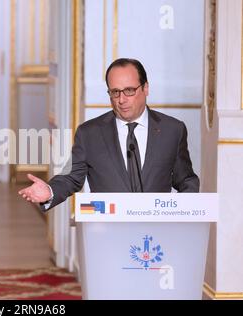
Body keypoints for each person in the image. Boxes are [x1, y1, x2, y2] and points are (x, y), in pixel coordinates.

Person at [18, 58, 199, 210]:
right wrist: (50, 191)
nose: (121, 100)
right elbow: (71, 177)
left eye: (129, 91)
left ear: (145, 88)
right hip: (107, 234)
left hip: (157, 237)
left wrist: (184, 213)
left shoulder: (172, 130)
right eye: (115, 92)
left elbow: (186, 179)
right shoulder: (89, 134)